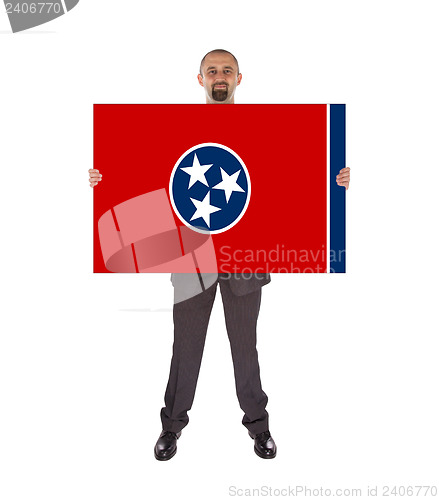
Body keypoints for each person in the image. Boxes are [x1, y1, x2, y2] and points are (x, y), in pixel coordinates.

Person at [88, 49, 351, 461]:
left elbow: (292, 174)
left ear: (239, 78)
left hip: (245, 261)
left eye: (227, 70)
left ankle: (258, 427)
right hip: (191, 261)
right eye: (212, 71)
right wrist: (106, 178)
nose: (219, 76)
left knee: (245, 349)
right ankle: (171, 427)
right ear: (200, 80)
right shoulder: (175, 130)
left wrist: (334, 179)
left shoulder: (263, 130)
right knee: (186, 348)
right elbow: (145, 173)